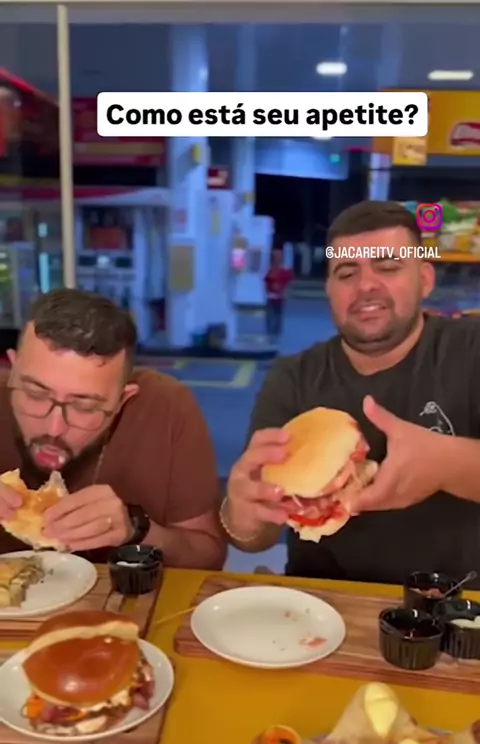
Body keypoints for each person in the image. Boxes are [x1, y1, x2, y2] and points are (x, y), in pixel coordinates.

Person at [221, 200, 480, 585]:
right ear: (329, 289)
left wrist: (447, 464)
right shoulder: (294, 378)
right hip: (324, 600)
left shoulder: (470, 350)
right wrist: (241, 514)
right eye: (346, 272)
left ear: (425, 279)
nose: (366, 285)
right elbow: (255, 538)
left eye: (388, 267)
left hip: (458, 603)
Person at [0, 289, 226, 569]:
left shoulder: (167, 407)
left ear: (122, 400)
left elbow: (207, 557)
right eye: (35, 394)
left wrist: (137, 530)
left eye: (85, 407)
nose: (54, 429)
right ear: (12, 368)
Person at [264, 248, 293, 342]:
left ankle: (276, 332)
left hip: (280, 296)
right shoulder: (269, 269)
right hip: (270, 296)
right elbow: (265, 281)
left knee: (278, 315)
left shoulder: (284, 270)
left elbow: (288, 282)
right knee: (271, 315)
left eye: (279, 257)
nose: (277, 259)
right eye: (275, 257)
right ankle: (270, 332)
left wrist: (284, 290)